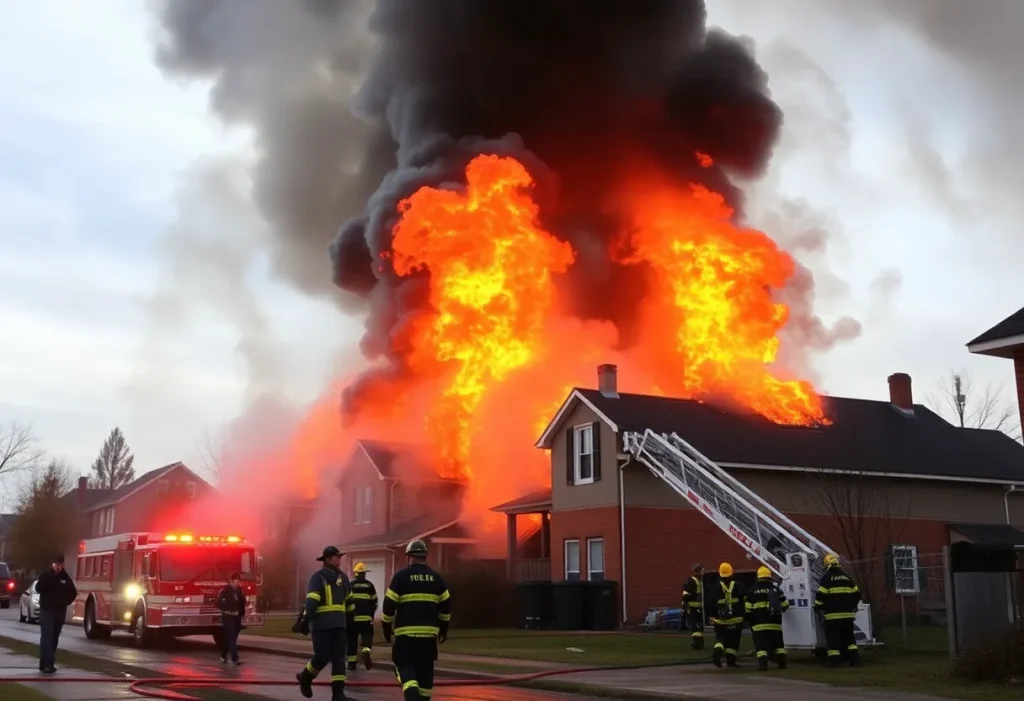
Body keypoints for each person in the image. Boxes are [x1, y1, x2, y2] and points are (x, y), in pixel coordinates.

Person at [381, 540, 451, 701]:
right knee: (425, 670)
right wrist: (444, 630)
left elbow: (388, 606)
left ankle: (411, 693)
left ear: (409, 557)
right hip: (429, 637)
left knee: (404, 665)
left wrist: (386, 629)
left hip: (406, 636)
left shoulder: (401, 577)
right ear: (425, 556)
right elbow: (446, 608)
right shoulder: (437, 578)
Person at [296, 546, 352, 701]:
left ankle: (338, 694)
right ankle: (305, 677)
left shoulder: (344, 578)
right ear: (327, 559)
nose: (339, 559)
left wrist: (352, 621)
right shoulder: (317, 577)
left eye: (340, 557)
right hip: (321, 626)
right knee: (322, 656)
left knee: (339, 659)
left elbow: (349, 602)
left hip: (339, 625)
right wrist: (306, 619)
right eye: (337, 557)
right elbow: (311, 602)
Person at [814, 552, 862, 668]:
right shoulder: (847, 578)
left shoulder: (826, 578)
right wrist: (852, 605)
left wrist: (818, 607)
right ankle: (854, 660)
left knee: (833, 639)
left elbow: (821, 595)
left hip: (832, 616)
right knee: (849, 639)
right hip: (847, 615)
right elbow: (857, 594)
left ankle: (835, 662)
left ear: (827, 565)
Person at [36, 554, 77, 674]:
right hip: (47, 610)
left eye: (60, 564)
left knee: (54, 637)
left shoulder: (65, 578)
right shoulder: (46, 575)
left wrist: (66, 602)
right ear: (52, 564)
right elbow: (38, 588)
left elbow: (73, 593)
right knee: (47, 636)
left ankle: (47, 663)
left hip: (59, 611)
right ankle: (47, 664)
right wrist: (48, 580)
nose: (58, 567)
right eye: (56, 564)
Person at [745, 566, 789, 670]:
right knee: (778, 646)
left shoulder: (752, 591)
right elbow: (785, 605)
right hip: (775, 625)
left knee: (761, 647)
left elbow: (748, 609)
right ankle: (782, 664)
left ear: (758, 577)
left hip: (759, 625)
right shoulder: (776, 590)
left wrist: (751, 621)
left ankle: (763, 665)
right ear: (769, 577)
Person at [711, 562, 745, 668]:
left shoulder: (715, 587)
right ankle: (730, 662)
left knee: (720, 637)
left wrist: (712, 615)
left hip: (720, 621)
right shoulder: (738, 586)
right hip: (736, 619)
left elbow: (710, 602)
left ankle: (718, 649)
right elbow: (745, 599)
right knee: (733, 641)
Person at [347, 562, 378, 671]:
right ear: (364, 573)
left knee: (351, 640)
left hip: (353, 619)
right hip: (366, 618)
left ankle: (351, 663)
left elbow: (346, 602)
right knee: (367, 635)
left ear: (356, 573)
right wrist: (371, 615)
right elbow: (375, 601)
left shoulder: (351, 585)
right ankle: (365, 651)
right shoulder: (370, 585)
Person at [216, 572, 246, 666]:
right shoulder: (225, 591)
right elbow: (219, 603)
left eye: (239, 580)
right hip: (228, 616)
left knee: (232, 638)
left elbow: (242, 602)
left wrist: (242, 612)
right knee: (232, 636)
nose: (238, 582)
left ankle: (223, 655)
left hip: (236, 617)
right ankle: (235, 659)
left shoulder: (239, 590)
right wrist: (228, 606)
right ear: (232, 581)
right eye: (237, 580)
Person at [681, 564, 705, 650]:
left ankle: (697, 644)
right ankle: (700, 643)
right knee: (698, 626)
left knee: (694, 626)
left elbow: (686, 595)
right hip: (699, 607)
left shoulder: (691, 581)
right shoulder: (698, 581)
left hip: (692, 607)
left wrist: (684, 604)